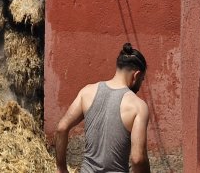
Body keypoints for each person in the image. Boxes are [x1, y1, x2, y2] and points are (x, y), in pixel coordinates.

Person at [54, 42, 151, 173]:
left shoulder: (87, 92)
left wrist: (61, 168)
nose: (140, 85)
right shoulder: (138, 106)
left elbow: (61, 128)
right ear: (136, 75)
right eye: (142, 80)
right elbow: (138, 159)